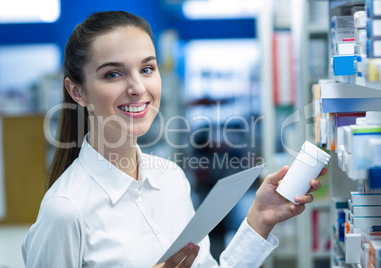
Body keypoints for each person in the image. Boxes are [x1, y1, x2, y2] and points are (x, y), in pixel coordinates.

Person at [22, 10, 326, 268]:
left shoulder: (171, 180)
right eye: (113, 74)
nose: (138, 87)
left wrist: (260, 219)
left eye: (146, 68)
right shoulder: (66, 211)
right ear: (77, 91)